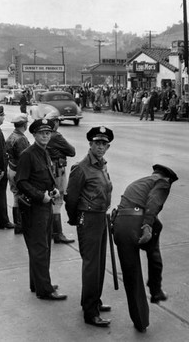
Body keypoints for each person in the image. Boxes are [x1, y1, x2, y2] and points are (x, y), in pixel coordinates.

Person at [112, 164, 178, 333]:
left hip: (120, 225)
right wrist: (147, 225)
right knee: (154, 248)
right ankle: (155, 289)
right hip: (137, 223)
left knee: (131, 275)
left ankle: (140, 320)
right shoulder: (163, 182)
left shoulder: (141, 182)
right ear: (168, 178)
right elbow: (154, 202)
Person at [65, 126, 114, 328]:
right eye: (97, 143)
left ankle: (95, 301)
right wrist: (77, 220)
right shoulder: (81, 167)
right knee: (92, 266)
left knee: (100, 264)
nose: (101, 147)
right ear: (90, 144)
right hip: (89, 218)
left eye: (104, 144)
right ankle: (90, 312)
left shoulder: (101, 165)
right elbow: (71, 199)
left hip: (102, 217)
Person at [16, 118, 67, 300]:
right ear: (34, 135)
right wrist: (40, 195)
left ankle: (37, 283)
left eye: (48, 133)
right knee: (40, 248)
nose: (46, 136)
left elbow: (45, 175)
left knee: (41, 246)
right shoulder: (28, 154)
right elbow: (21, 181)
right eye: (42, 133)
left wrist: (52, 189)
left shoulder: (43, 152)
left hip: (44, 204)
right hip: (35, 207)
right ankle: (44, 289)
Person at [45, 112, 76, 244]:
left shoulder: (45, 134)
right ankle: (58, 234)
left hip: (49, 168)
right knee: (58, 200)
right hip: (57, 169)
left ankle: (52, 231)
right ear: (55, 122)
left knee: (52, 199)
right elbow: (72, 151)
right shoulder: (56, 135)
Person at [5, 113, 30, 234]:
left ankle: (17, 224)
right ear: (24, 125)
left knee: (15, 197)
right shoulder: (21, 139)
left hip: (11, 168)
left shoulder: (11, 136)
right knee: (21, 197)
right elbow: (24, 158)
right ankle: (20, 225)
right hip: (19, 171)